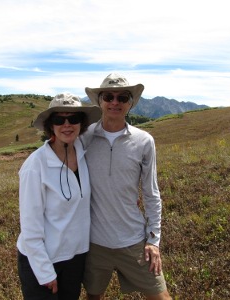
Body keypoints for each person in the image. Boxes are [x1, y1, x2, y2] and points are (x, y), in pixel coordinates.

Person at [81, 73, 172, 300]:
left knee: (161, 296)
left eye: (122, 97)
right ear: (99, 100)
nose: (115, 102)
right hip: (94, 243)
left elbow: (151, 193)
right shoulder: (84, 137)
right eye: (109, 96)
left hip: (133, 241)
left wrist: (154, 240)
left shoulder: (144, 141)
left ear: (130, 103)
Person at [16, 93, 101, 300]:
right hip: (43, 259)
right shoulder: (35, 166)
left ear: (82, 124)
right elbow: (30, 227)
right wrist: (44, 271)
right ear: (50, 126)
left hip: (75, 256)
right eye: (58, 119)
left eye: (73, 119)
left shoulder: (83, 151)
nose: (67, 125)